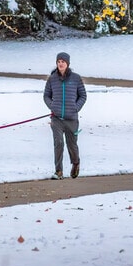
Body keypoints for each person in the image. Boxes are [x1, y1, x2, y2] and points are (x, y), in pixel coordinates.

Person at [43, 52, 87, 180]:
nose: (60, 64)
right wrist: (52, 106)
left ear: (67, 63)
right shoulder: (52, 79)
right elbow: (46, 95)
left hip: (71, 119)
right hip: (56, 118)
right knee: (58, 143)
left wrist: (76, 108)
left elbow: (83, 96)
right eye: (58, 61)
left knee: (72, 145)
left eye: (63, 61)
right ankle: (59, 171)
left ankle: (75, 163)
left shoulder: (76, 78)